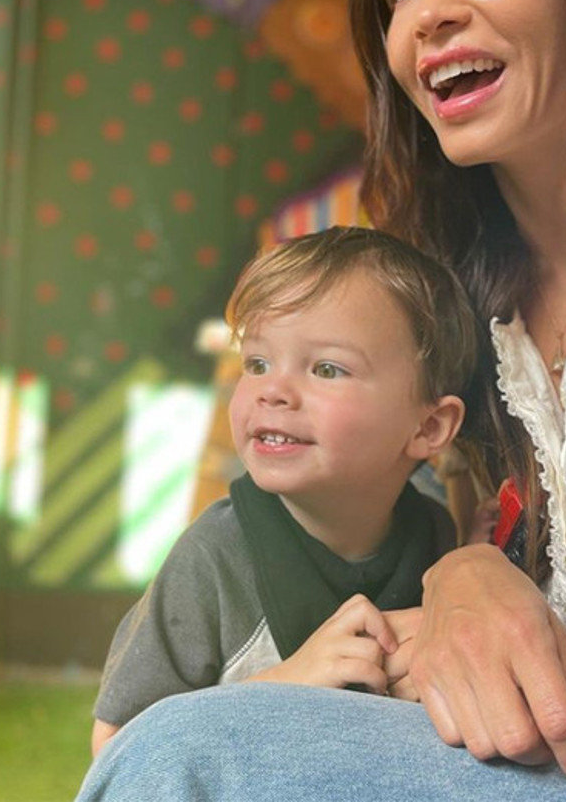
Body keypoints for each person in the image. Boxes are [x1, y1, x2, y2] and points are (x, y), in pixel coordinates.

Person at [75, 0, 566, 799]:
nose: (429, 13)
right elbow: (484, 539)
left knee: (189, 757)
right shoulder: (459, 308)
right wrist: (463, 575)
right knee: (178, 741)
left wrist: (537, 669)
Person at [90, 225, 476, 755]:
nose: (272, 390)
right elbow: (119, 751)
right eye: (258, 363)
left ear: (429, 428)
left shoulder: (436, 539)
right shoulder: (213, 562)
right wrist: (288, 683)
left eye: (325, 368)